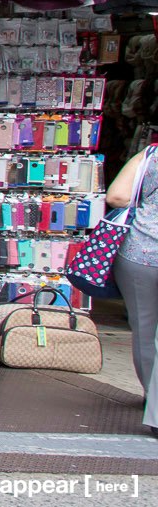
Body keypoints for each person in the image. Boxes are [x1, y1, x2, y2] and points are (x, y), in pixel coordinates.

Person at [107, 142, 158, 431]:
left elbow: (116, 196)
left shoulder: (150, 155)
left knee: (145, 328)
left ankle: (153, 398)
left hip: (140, 251)